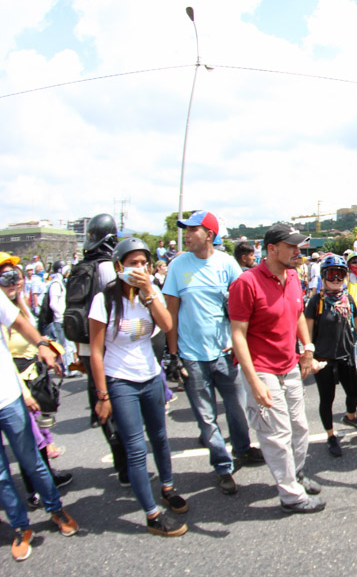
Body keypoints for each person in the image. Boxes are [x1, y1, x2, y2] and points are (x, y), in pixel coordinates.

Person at [89, 238, 188, 536]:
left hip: (150, 377)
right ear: (119, 266)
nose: (140, 269)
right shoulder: (103, 300)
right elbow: (96, 351)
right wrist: (102, 393)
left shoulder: (150, 292)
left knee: (160, 436)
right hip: (121, 381)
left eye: (144, 263)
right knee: (134, 448)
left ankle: (167, 487)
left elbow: (167, 324)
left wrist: (147, 291)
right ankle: (151, 514)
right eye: (133, 264)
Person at [163, 211, 261, 496]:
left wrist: (238, 339)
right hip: (192, 356)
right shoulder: (177, 266)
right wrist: (172, 355)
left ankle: (242, 449)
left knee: (237, 409)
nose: (186, 235)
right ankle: (223, 466)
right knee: (206, 418)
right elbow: (171, 312)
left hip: (225, 353)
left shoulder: (227, 264)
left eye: (192, 230)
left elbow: (241, 307)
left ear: (208, 234)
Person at [229, 224, 323, 514]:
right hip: (262, 369)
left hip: (289, 365)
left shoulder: (293, 277)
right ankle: (291, 496)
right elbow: (237, 335)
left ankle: (295, 475)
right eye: (292, 246)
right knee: (277, 434)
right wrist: (254, 381)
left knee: (300, 428)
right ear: (272, 249)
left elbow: (296, 316)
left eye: (299, 246)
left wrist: (307, 349)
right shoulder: (246, 283)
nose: (298, 251)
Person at [0, 284, 79, 560]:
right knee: (0, 476)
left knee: (32, 460)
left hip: (7, 397)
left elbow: (20, 322)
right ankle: (21, 527)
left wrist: (43, 344)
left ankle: (55, 509)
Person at [71, 213, 129, 486]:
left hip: (84, 346)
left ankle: (119, 456)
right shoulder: (108, 267)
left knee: (100, 400)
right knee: (116, 402)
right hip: (106, 345)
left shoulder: (79, 266)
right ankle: (125, 460)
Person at [305, 254, 357, 458]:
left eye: (340, 275)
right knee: (327, 399)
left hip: (346, 356)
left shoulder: (348, 299)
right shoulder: (316, 301)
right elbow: (306, 334)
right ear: (324, 276)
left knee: (354, 393)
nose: (336, 280)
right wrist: (309, 357)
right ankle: (330, 435)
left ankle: (350, 416)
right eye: (332, 275)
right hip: (323, 359)